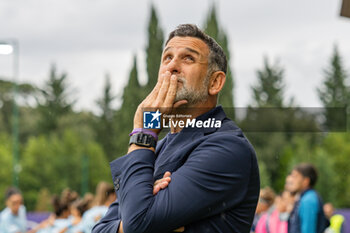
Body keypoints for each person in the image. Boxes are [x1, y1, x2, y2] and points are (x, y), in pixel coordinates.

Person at [93, 24, 260, 233]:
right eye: (167, 57)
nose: (172, 66)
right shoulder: (155, 147)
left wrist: (143, 132)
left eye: (188, 58)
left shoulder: (228, 147)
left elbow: (137, 224)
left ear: (215, 82)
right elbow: (99, 229)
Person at [288, 163, 329, 233]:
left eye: (295, 177)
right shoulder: (305, 198)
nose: (291, 180)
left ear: (306, 181)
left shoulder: (308, 200)